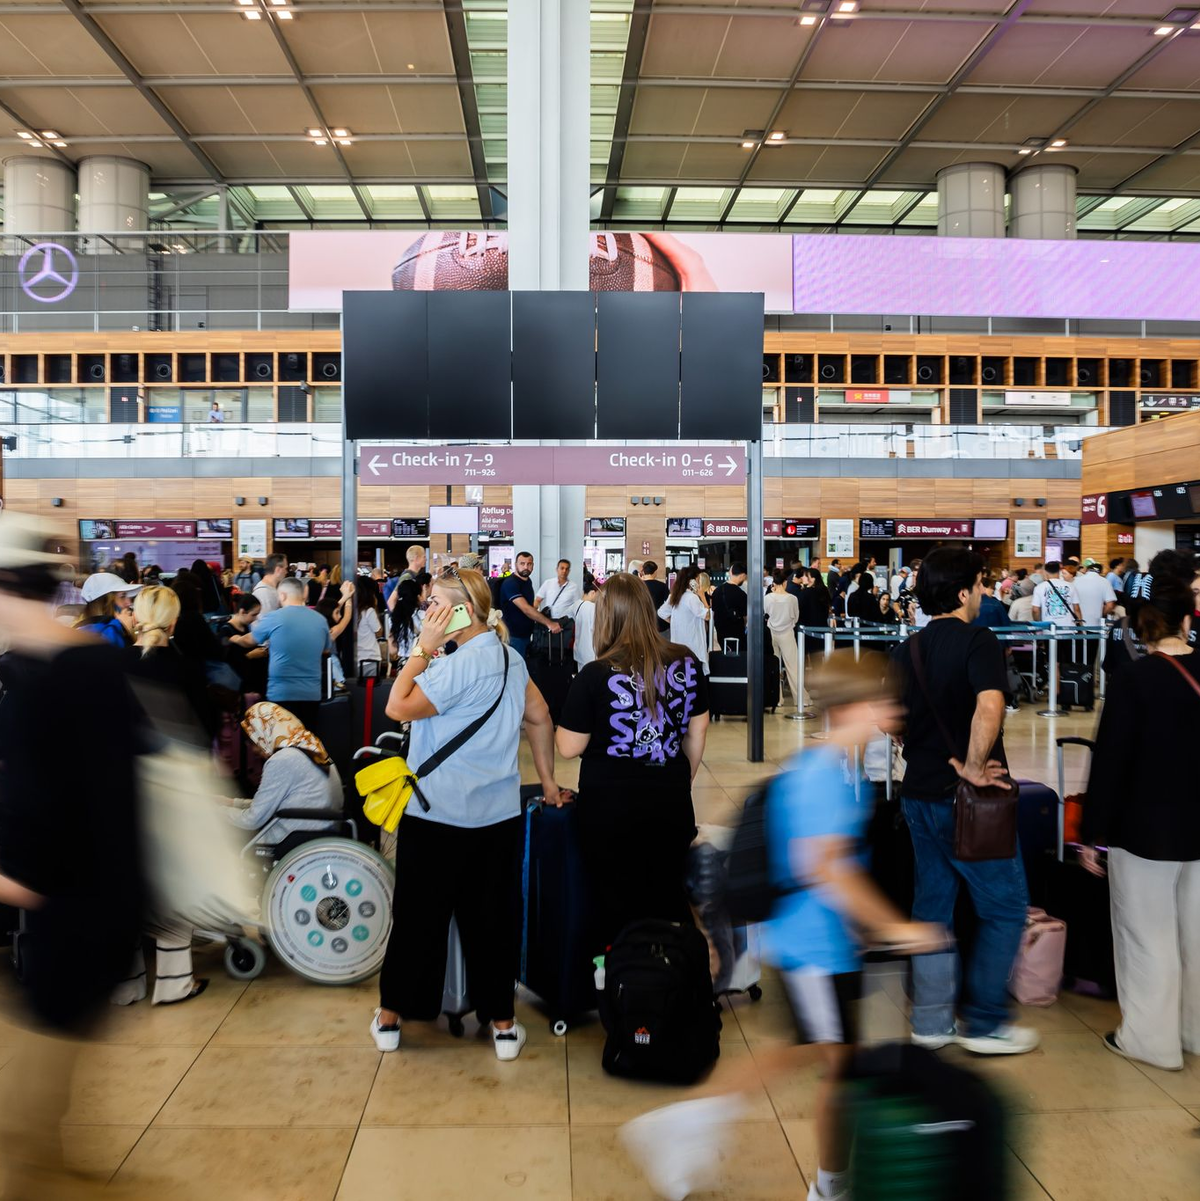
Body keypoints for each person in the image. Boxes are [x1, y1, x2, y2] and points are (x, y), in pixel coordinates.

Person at [620, 653, 946, 1201]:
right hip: (813, 951)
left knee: (813, 1054)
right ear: (852, 709)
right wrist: (898, 928)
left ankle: (707, 1132)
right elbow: (828, 870)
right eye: (883, 702)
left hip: (822, 946)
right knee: (834, 1066)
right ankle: (821, 1182)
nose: (893, 713)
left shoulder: (836, 770)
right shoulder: (826, 778)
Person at [0, 515, 146, 1195]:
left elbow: (45, 803)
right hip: (102, 898)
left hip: (68, 901)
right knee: (48, 1057)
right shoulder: (88, 663)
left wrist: (20, 874)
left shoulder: (44, 679)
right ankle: (44, 1160)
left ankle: (38, 1169)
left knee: (39, 1063)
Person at [371, 568, 567, 1062]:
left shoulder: (453, 666)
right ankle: (502, 1025)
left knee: (418, 918)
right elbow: (540, 716)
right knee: (491, 921)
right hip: (496, 817)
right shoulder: (509, 658)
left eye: (435, 601)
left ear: (462, 609)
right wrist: (546, 781)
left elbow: (396, 706)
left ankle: (392, 1017)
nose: (427, 608)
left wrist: (421, 646)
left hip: (436, 813)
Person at [890, 546, 1038, 1056]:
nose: (982, 593)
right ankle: (985, 1021)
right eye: (978, 584)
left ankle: (931, 1022)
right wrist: (974, 768)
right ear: (961, 591)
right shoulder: (978, 640)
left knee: (933, 907)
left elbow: (889, 719)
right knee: (1005, 906)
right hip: (968, 803)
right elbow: (990, 705)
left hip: (918, 795)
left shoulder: (906, 648)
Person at [1080, 575, 1200, 1071]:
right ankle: (1193, 1031)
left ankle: (1151, 1040)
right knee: (1196, 933)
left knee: (1147, 934)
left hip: (1144, 828)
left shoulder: (1135, 678)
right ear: (1189, 619)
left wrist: (1091, 832)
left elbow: (1111, 760)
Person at [558, 573, 709, 952]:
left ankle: (622, 984)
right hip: (671, 801)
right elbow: (698, 729)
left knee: (613, 901)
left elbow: (568, 746)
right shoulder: (686, 662)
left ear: (606, 617)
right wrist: (680, 779)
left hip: (609, 807)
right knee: (668, 892)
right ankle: (673, 978)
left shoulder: (595, 674)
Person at [112, 585, 211, 1009]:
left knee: (123, 883)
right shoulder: (187, 670)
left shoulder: (109, 666)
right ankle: (172, 981)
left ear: (135, 617)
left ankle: (126, 983)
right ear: (174, 622)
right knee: (173, 882)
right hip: (174, 787)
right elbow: (203, 734)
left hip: (119, 788)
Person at [227, 702, 343, 840]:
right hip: (321, 830)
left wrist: (214, 811)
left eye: (254, 741)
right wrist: (234, 803)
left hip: (293, 837)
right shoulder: (310, 745)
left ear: (265, 732)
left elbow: (252, 820)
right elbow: (271, 803)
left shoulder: (282, 760)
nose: (254, 750)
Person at [230, 576, 334, 727]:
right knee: (307, 742)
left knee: (282, 744)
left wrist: (234, 639)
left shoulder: (274, 617)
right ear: (302, 594)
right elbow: (325, 649)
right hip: (311, 693)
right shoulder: (320, 620)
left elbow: (249, 641)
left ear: (283, 595)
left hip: (281, 693)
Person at [499, 550, 561, 660]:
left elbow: (530, 606)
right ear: (515, 565)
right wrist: (549, 623)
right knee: (516, 671)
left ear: (533, 565)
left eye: (529, 564)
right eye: (522, 564)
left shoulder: (527, 581)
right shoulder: (511, 583)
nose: (526, 567)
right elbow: (526, 608)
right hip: (513, 636)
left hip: (525, 635)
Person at [658, 564, 711, 675]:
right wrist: (702, 595)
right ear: (692, 580)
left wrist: (674, 622)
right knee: (695, 677)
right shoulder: (692, 598)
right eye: (698, 579)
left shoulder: (675, 595)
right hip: (693, 647)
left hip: (678, 645)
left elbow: (661, 612)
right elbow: (707, 615)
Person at [765, 569, 802, 711]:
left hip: (771, 633)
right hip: (787, 633)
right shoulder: (792, 598)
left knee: (773, 667)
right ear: (785, 582)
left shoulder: (768, 597)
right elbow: (796, 617)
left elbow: (765, 614)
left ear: (774, 583)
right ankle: (799, 698)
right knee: (793, 666)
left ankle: (776, 699)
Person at [1071, 559, 1117, 670]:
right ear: (1100, 572)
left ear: (1087, 570)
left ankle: (1076, 679)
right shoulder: (1104, 582)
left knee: (1076, 656)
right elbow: (1110, 605)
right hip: (1094, 625)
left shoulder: (1075, 581)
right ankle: (1089, 680)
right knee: (1090, 658)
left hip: (1076, 624)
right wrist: (1101, 614)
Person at [216, 592, 267, 692]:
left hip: (252, 681)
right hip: (239, 686)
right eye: (254, 615)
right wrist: (250, 655)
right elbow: (227, 660)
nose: (255, 618)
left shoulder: (245, 627)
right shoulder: (225, 631)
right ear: (242, 611)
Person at [75, 571, 141, 647]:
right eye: (122, 597)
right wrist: (122, 628)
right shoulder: (99, 635)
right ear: (105, 603)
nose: (129, 603)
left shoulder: (81, 629)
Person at [711, 560, 749, 650]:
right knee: (738, 658)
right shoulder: (741, 594)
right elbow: (746, 617)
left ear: (730, 573)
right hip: (737, 633)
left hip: (721, 633)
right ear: (743, 575)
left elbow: (714, 612)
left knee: (725, 657)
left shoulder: (717, 591)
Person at [1031, 560, 1080, 626]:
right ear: (1059, 571)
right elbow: (1076, 609)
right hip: (1068, 627)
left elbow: (1035, 610)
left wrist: (1039, 623)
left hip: (1048, 627)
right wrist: (1081, 626)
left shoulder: (1039, 587)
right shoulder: (1070, 586)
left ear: (1045, 572)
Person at [355, 575, 384, 675]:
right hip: (371, 659)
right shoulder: (369, 611)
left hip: (355, 660)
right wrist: (375, 606)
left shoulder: (352, 611)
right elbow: (379, 632)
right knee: (369, 690)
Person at [573, 574, 599, 670]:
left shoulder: (575, 605)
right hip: (592, 653)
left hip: (579, 651)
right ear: (592, 593)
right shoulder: (594, 608)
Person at [253, 552, 288, 617]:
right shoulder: (263, 593)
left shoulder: (272, 589)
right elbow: (264, 623)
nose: (286, 572)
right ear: (278, 570)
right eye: (285, 568)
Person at [641, 560, 670, 633]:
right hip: (659, 622)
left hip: (642, 622)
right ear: (655, 572)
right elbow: (669, 602)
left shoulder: (638, 586)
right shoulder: (662, 586)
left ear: (644, 572)